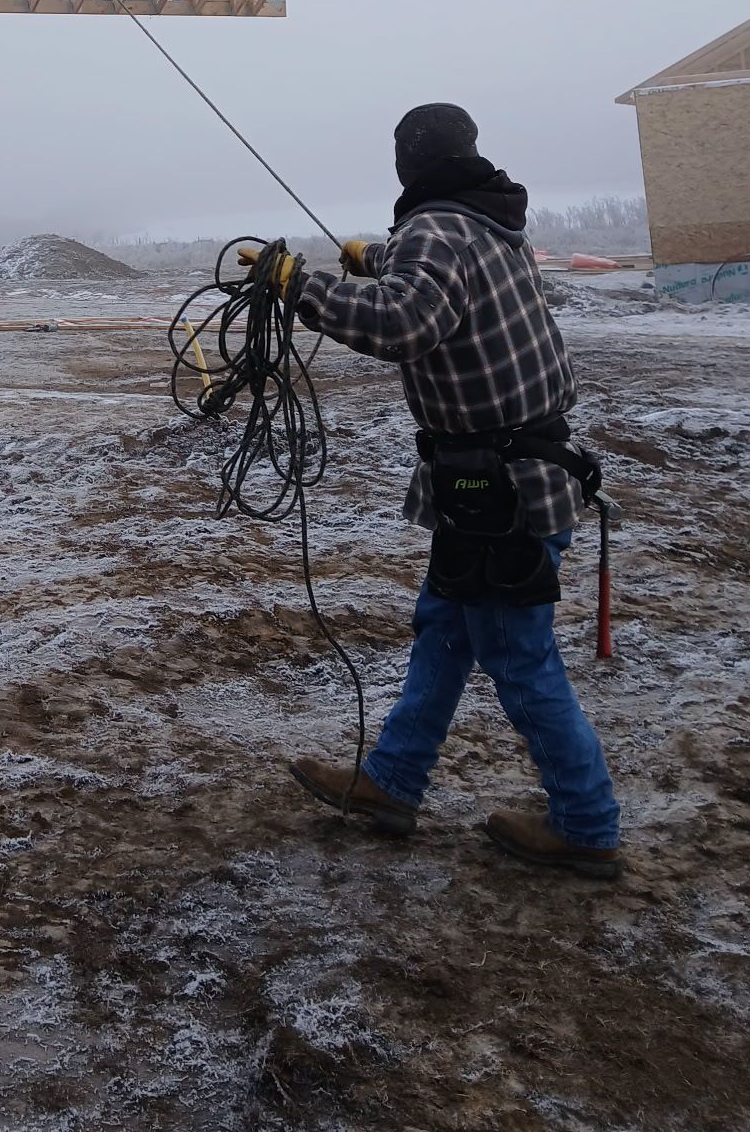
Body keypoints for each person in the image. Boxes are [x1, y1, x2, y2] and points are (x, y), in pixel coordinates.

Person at [265, 103, 621, 879]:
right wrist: (374, 259)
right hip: (502, 477)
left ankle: (588, 826)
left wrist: (304, 288)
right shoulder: (489, 224)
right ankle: (391, 783)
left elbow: (404, 324)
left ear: (408, 163)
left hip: (501, 487)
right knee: (448, 628)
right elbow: (435, 288)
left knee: (515, 654)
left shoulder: (437, 229)